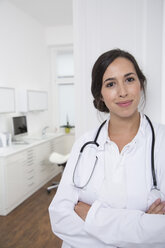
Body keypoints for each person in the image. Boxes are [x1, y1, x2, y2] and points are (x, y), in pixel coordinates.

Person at [49, 49, 165, 248]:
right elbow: (60, 217)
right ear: (100, 95)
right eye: (110, 84)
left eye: (129, 79)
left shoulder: (162, 141)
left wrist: (92, 217)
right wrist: (141, 229)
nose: (122, 92)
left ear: (141, 84)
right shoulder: (84, 145)